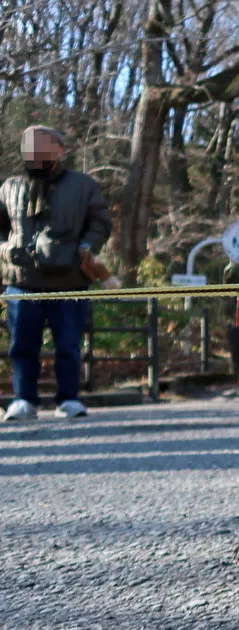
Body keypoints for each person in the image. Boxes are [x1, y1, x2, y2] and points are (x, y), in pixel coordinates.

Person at [0, 126, 112, 421]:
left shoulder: (83, 185)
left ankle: (69, 399)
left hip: (70, 279)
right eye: (29, 146)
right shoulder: (9, 186)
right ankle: (24, 399)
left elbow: (100, 221)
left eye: (43, 146)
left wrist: (88, 245)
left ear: (60, 151)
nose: (34, 152)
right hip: (21, 281)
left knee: (68, 344)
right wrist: (6, 248)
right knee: (21, 345)